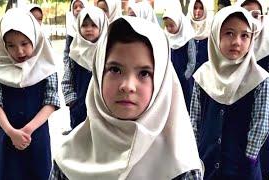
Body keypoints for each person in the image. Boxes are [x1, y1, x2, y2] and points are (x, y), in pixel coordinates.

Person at [49, 16, 203, 180]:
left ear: (161, 81)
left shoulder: (180, 165)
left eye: (144, 73)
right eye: (115, 70)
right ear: (99, 72)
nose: (128, 86)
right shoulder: (68, 158)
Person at [190, 6, 269, 179]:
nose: (237, 42)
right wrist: (193, 152)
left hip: (241, 166)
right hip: (207, 160)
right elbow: (195, 119)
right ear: (215, 35)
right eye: (229, 33)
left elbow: (261, 121)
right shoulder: (203, 74)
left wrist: (250, 157)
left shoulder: (258, 77)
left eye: (245, 35)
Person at [0, 8, 60, 180]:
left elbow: (51, 102)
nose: (19, 51)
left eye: (25, 43)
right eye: (11, 45)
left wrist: (27, 130)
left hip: (37, 136)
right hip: (8, 137)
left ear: (35, 38)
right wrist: (12, 132)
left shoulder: (46, 68)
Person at [237, 0, 269, 179]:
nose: (252, 20)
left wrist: (267, 111)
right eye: (245, 15)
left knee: (261, 168)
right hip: (237, 121)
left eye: (256, 15)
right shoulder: (232, 50)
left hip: (263, 124)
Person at [61, 6, 108, 132]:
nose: (89, 29)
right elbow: (67, 79)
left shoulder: (107, 53)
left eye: (94, 25)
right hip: (79, 109)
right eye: (85, 25)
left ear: (102, 27)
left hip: (103, 110)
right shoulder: (75, 52)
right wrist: (73, 102)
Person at [62, 0, 89, 135]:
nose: (77, 9)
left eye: (81, 6)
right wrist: (72, 101)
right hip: (78, 96)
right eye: (75, 7)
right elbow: (67, 53)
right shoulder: (72, 31)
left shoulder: (103, 47)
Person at [162, 8, 196, 113]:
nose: (169, 29)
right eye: (167, 26)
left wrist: (185, 76)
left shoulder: (187, 39)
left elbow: (192, 61)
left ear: (179, 24)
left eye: (172, 25)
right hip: (170, 77)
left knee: (185, 102)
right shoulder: (166, 37)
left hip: (184, 78)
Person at [187, 0, 210, 71]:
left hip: (205, 72)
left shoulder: (210, 27)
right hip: (187, 75)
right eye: (195, 8)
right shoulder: (184, 27)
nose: (198, 11)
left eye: (201, 8)